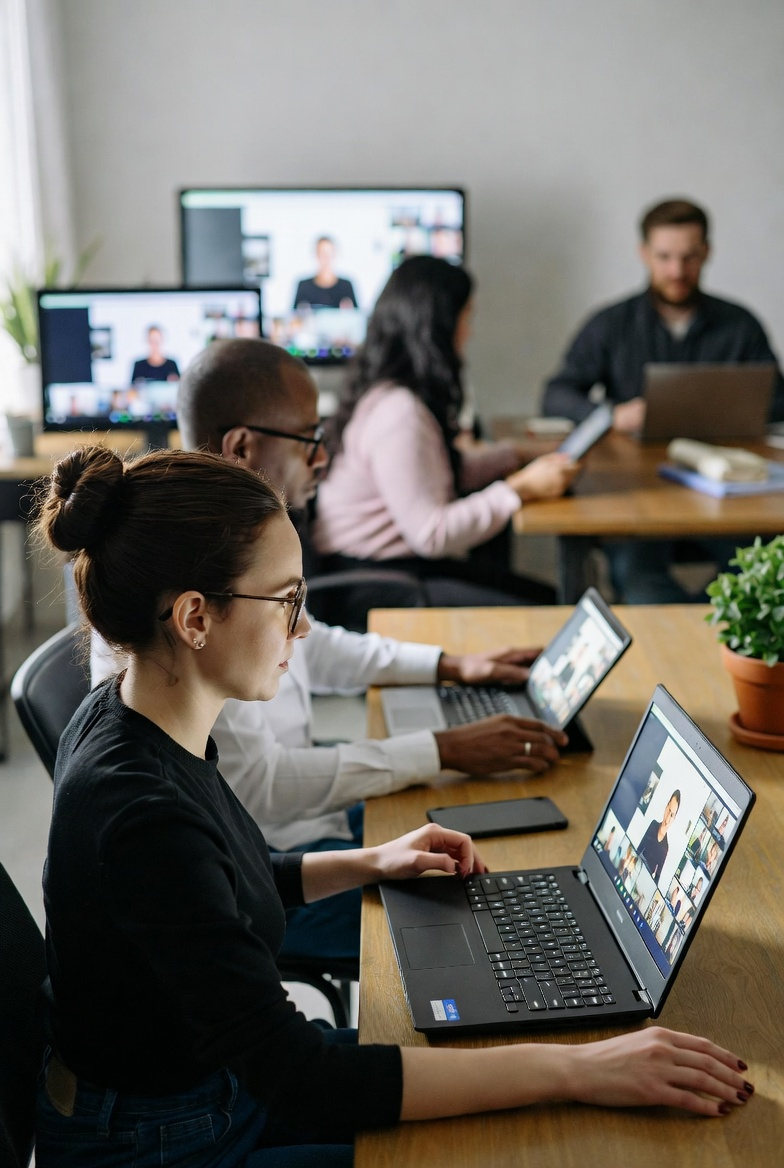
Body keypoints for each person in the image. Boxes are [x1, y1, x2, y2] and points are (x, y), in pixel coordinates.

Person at [35, 445, 753, 1164]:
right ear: (195, 617)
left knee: (507, 1067)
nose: (304, 628)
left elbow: (225, 881)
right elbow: (304, 1079)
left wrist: (370, 861)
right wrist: (577, 1072)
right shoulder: (139, 810)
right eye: (288, 600)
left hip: (209, 1090)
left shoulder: (133, 716)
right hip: (167, 1140)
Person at [92, 337, 569, 962]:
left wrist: (449, 667)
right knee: (504, 925)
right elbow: (261, 791)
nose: (324, 457)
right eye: (310, 437)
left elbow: (315, 646)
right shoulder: (189, 601)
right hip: (275, 862)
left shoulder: (232, 546)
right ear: (242, 446)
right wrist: (442, 749)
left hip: (284, 857)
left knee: (507, 851)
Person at [542, 198, 784, 602]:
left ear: (706, 253)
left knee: (763, 578)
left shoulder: (740, 325)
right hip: (638, 495)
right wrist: (612, 415)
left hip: (729, 496)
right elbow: (556, 395)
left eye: (689, 257)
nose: (676, 271)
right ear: (644, 254)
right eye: (665, 257)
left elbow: (779, 400)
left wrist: (733, 407)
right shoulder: (612, 324)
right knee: (639, 584)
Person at [314, 256, 580, 604]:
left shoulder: (389, 394)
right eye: (467, 315)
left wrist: (514, 455)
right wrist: (519, 489)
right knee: (547, 610)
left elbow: (428, 476)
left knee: (548, 601)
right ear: (440, 325)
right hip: (376, 583)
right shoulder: (399, 413)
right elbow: (431, 533)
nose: (469, 331)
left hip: (391, 567)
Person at [293, 236, 358, 310]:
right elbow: (293, 317)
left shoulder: (346, 286)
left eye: (329, 253)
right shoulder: (304, 286)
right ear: (316, 255)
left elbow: (357, 316)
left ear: (334, 254)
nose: (326, 258)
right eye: (322, 253)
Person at [638, 790, 681, 882]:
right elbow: (638, 849)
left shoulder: (666, 847)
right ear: (666, 807)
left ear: (674, 819)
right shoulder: (653, 824)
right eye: (669, 810)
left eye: (672, 815)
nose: (668, 818)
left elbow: (657, 878)